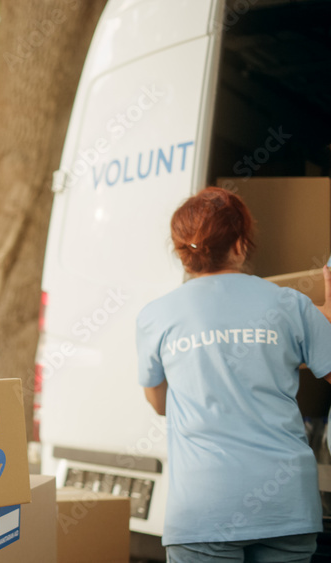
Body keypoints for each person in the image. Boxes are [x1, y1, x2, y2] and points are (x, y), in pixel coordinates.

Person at [136, 186, 331, 562]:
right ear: (240, 245)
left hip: (203, 511)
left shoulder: (155, 316)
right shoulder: (289, 304)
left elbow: (158, 404)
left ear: (183, 252)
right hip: (285, 506)